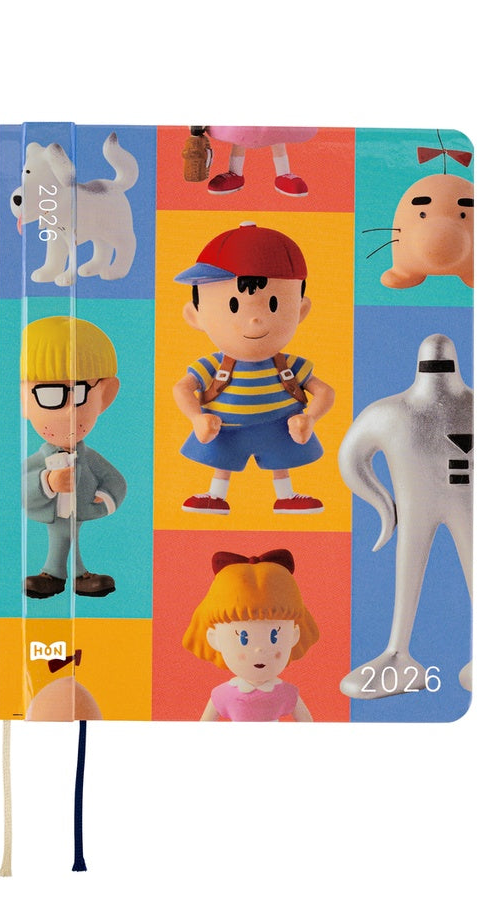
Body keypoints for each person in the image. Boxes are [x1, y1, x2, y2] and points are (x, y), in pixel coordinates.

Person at [173, 222, 334, 514]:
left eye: (273, 304)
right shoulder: (213, 365)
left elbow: (325, 391)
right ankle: (215, 495)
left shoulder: (290, 366)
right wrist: (196, 418)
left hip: (279, 428)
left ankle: (286, 496)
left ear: (301, 310)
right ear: (195, 316)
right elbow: (182, 388)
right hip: (226, 429)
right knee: (222, 460)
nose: (255, 321)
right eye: (234, 306)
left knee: (281, 460)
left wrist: (310, 418)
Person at [22, 316, 126, 599]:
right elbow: (19, 486)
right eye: (50, 394)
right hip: (54, 510)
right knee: (62, 536)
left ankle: (66, 575)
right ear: (24, 399)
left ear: (105, 395)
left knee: (72, 536)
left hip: (79, 510)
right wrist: (47, 483)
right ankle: (59, 574)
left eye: (79, 392)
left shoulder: (89, 458)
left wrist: (105, 497)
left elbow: (116, 480)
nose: (69, 410)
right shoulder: (39, 459)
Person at [182, 550, 319, 721]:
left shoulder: (286, 693)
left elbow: (308, 726)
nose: (259, 650)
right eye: (243, 638)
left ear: (294, 635)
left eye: (274, 636)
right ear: (214, 639)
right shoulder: (223, 694)